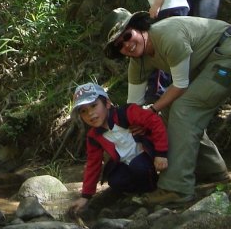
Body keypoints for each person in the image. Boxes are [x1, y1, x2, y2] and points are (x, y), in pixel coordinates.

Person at [102, 8, 231, 205]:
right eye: (120, 45)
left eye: (127, 36)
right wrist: (122, 132)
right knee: (170, 110)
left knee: (184, 108)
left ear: (138, 28)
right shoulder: (138, 62)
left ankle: (176, 188)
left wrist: (152, 110)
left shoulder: (166, 36)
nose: (127, 45)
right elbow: (133, 108)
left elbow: (181, 86)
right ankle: (212, 170)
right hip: (209, 63)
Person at [66, 83, 168, 219]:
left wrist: (161, 154)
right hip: (127, 163)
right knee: (115, 180)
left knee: (139, 166)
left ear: (107, 103)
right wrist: (86, 196)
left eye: (94, 106)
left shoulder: (127, 112)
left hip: (149, 157)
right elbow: (93, 164)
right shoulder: (93, 136)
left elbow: (154, 121)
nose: (90, 113)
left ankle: (151, 191)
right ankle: (135, 194)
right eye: (83, 111)